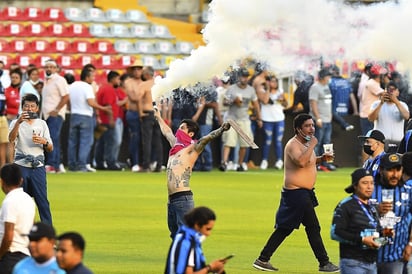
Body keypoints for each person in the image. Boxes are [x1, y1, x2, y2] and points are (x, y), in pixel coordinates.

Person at [252, 113, 339, 273]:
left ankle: (263, 258)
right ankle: (324, 262)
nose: (311, 129)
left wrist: (321, 159)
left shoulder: (306, 144)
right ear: (298, 129)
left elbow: (309, 161)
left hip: (303, 193)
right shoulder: (293, 144)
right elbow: (300, 162)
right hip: (296, 193)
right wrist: (313, 145)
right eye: (307, 126)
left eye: (312, 125)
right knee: (312, 227)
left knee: (286, 228)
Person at [154, 108, 230, 238]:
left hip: (183, 198)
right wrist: (158, 116)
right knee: (174, 234)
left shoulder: (192, 148)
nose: (178, 130)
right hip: (171, 199)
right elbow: (167, 131)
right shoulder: (175, 146)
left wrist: (221, 130)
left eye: (182, 128)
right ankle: (178, 257)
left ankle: (190, 257)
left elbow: (206, 139)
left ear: (190, 134)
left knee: (186, 234)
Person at [9, 94, 53, 225]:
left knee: (42, 201)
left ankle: (47, 232)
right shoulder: (16, 122)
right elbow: (11, 139)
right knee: (21, 200)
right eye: (26, 106)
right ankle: (22, 229)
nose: (29, 109)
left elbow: (50, 147)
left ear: (37, 108)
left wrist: (44, 142)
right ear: (22, 108)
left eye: (32, 106)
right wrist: (18, 122)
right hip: (21, 166)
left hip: (38, 166)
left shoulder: (42, 124)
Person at [331, 168, 381, 274]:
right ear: (355, 185)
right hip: (353, 262)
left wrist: (385, 237)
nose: (369, 187)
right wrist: (362, 239)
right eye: (365, 183)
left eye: (372, 183)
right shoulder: (345, 205)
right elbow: (335, 233)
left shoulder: (373, 207)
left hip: (372, 262)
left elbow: (377, 234)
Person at [371, 153, 412, 274]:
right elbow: (353, 215)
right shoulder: (368, 189)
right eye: (390, 170)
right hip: (368, 255)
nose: (395, 174)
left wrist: (410, 243)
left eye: (398, 170)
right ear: (381, 170)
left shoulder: (408, 192)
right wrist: (375, 210)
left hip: (396, 256)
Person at [68, 67, 111, 172]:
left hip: (74, 115)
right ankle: (82, 165)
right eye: (92, 76)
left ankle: (72, 165)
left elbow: (68, 100)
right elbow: (91, 102)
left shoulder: (73, 85)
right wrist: (103, 108)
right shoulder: (87, 87)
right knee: (85, 142)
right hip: (85, 116)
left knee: (73, 142)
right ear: (87, 77)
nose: (94, 79)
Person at [219, 67, 262, 172]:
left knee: (245, 143)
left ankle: (240, 163)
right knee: (229, 141)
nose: (245, 79)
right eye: (243, 76)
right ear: (239, 77)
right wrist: (233, 101)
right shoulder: (232, 88)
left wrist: (259, 118)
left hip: (244, 118)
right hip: (231, 118)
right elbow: (225, 102)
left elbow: (256, 104)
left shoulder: (251, 89)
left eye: (246, 77)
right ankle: (224, 163)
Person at [165, 206, 226, 274]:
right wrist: (210, 267)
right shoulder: (187, 242)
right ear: (197, 225)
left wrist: (216, 268)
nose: (209, 234)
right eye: (207, 229)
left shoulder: (185, 237)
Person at [0, 164, 35, 274]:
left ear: (2, 181)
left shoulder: (9, 202)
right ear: (21, 180)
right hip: (26, 254)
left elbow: (8, 236)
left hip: (11, 256)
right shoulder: (28, 199)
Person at [41, 59, 69, 174]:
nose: (49, 69)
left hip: (55, 115)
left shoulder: (59, 79)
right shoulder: (46, 81)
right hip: (46, 115)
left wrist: (57, 110)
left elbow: (66, 96)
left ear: (56, 69)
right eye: (47, 67)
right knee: (52, 139)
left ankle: (52, 164)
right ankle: (55, 164)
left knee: (52, 139)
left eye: (51, 67)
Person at [94, 70, 125, 171]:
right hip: (108, 120)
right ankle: (111, 162)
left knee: (102, 142)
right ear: (112, 79)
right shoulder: (108, 89)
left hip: (103, 120)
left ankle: (99, 163)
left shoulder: (104, 88)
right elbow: (108, 106)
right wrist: (112, 120)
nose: (119, 81)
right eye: (118, 79)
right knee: (112, 142)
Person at [257, 75, 287, 170]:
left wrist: (283, 100)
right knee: (267, 141)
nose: (273, 83)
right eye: (270, 81)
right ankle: (264, 160)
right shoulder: (262, 91)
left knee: (278, 141)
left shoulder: (280, 91)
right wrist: (268, 88)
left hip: (279, 119)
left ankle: (279, 160)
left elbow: (286, 104)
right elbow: (265, 101)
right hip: (267, 119)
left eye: (274, 81)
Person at [368, 81, 410, 150]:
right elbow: (371, 118)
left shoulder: (402, 105)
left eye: (392, 90)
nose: (390, 93)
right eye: (388, 90)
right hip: (380, 142)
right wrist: (381, 103)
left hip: (398, 143)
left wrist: (396, 102)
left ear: (397, 92)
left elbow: (406, 116)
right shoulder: (376, 104)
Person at [137, 66, 163, 172]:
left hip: (147, 113)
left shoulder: (144, 85)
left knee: (146, 141)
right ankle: (159, 165)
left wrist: (140, 113)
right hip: (157, 113)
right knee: (158, 141)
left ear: (147, 74)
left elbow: (139, 99)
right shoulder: (159, 85)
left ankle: (146, 166)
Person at [309, 67, 335, 171]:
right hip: (319, 119)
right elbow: (313, 103)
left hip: (327, 119)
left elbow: (328, 102)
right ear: (322, 77)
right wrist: (318, 118)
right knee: (317, 143)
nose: (329, 78)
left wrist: (330, 115)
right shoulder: (315, 87)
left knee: (327, 143)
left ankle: (327, 163)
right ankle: (314, 164)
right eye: (328, 76)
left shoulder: (326, 86)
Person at [124, 59, 144, 172]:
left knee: (145, 139)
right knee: (135, 138)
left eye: (139, 69)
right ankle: (135, 162)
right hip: (133, 112)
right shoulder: (128, 82)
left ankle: (144, 162)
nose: (137, 71)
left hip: (143, 113)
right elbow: (133, 97)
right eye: (134, 69)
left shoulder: (144, 82)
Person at [328, 65, 358, 131]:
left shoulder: (330, 82)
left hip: (333, 114)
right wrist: (355, 111)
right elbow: (352, 97)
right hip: (345, 112)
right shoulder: (346, 82)